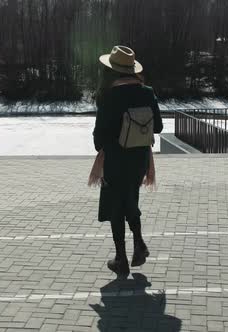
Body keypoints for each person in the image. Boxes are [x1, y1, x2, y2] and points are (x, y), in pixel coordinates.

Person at [91, 45, 163, 277]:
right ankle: (139, 244)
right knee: (130, 199)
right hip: (141, 159)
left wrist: (104, 148)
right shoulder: (147, 92)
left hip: (115, 159)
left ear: (111, 71)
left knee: (116, 207)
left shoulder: (108, 95)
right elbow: (159, 127)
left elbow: (99, 135)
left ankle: (122, 258)